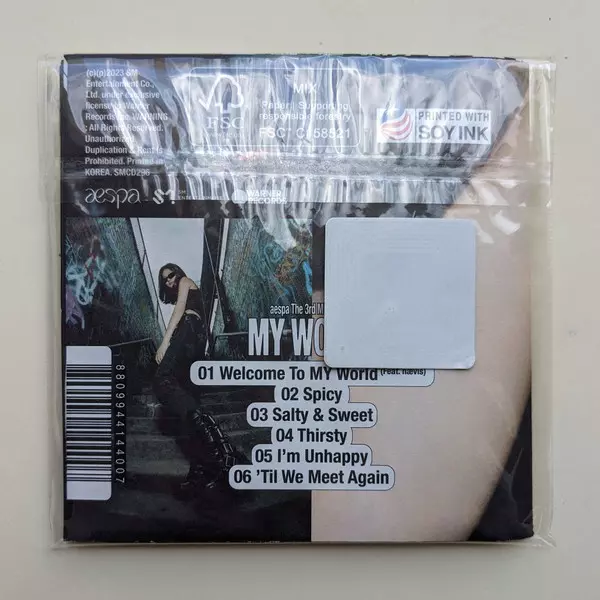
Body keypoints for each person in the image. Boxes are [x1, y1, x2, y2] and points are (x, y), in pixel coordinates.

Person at [153, 263, 237, 497]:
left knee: (162, 379)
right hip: (195, 341)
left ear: (178, 273)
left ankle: (223, 456)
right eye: (165, 280)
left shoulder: (185, 282)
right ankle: (200, 470)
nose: (170, 281)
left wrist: (165, 342)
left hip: (188, 331)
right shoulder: (189, 291)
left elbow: (180, 310)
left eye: (171, 275)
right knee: (187, 409)